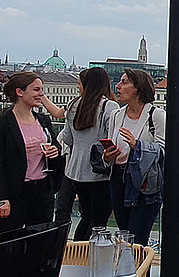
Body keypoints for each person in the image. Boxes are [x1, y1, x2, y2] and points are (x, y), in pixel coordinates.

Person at [0, 72, 61, 233]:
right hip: (14, 192)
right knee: (8, 242)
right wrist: (2, 197)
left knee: (40, 241)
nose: (41, 94)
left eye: (42, 89)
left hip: (42, 190)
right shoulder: (0, 125)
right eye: (36, 90)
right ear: (20, 92)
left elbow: (55, 146)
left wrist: (55, 151)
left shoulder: (43, 120)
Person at [103, 68, 165, 246]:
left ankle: (139, 272)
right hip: (118, 179)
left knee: (137, 238)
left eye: (124, 82)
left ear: (138, 88)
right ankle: (127, 272)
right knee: (124, 235)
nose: (118, 86)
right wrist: (107, 156)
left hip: (145, 183)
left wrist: (138, 146)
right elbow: (110, 145)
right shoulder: (116, 115)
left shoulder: (157, 116)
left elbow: (164, 151)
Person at [58, 67, 119, 240]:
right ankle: (89, 259)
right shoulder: (109, 106)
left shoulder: (72, 105)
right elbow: (111, 139)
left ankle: (78, 255)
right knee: (99, 221)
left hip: (75, 172)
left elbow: (68, 139)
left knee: (85, 218)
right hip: (99, 173)